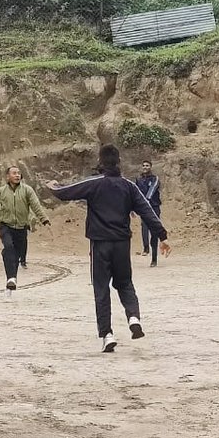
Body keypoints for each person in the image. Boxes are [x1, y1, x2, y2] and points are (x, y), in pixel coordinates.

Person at [47, 145, 170, 353]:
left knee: (101, 289)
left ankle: (107, 335)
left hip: (100, 244)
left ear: (100, 162)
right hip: (122, 244)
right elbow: (147, 212)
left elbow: (66, 193)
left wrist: (53, 186)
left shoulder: (94, 184)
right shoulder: (129, 186)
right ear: (118, 161)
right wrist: (162, 236)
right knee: (125, 284)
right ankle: (133, 318)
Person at [135, 160, 163, 266]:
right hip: (144, 208)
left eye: (147, 165)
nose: (145, 167)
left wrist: (146, 200)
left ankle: (154, 258)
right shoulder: (139, 179)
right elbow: (136, 192)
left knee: (154, 231)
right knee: (144, 227)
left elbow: (152, 189)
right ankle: (146, 248)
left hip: (154, 207)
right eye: (143, 165)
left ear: (151, 167)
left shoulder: (155, 178)